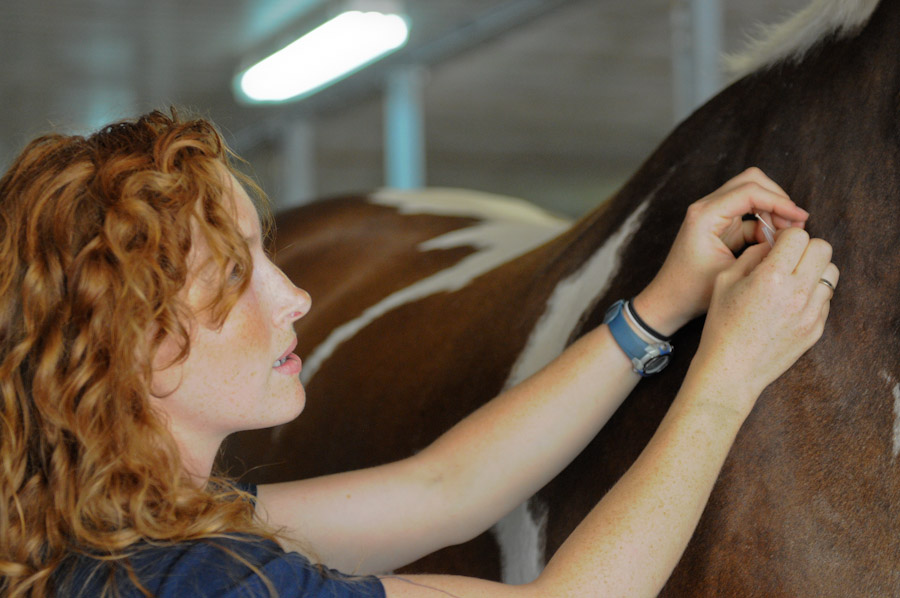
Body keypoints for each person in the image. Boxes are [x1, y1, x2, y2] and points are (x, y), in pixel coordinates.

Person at [0, 109, 838, 598]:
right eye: (232, 275)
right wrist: (729, 376)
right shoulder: (202, 580)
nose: (294, 298)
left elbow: (443, 488)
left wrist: (659, 311)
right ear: (129, 343)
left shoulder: (111, 531)